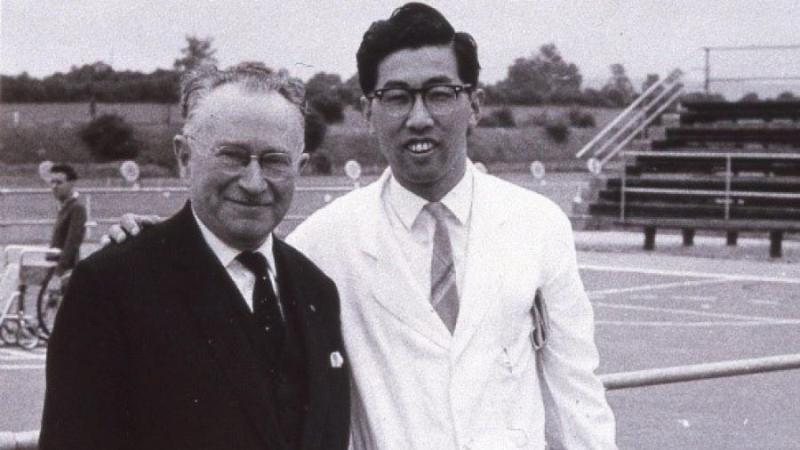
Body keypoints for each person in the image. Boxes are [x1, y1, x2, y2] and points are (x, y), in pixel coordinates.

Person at [111, 3, 616, 448]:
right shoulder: (321, 244)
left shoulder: (538, 225)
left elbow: (576, 395)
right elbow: (230, 276)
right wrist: (154, 245)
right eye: (396, 97)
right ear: (368, 112)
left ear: (475, 106)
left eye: (440, 93)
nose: (419, 118)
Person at [40, 65, 350, 450]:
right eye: (232, 156)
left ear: (299, 168)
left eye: (274, 161)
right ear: (184, 156)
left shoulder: (317, 290)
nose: (254, 182)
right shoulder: (110, 286)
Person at [48, 164, 87, 284]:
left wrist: (57, 274)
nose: (54, 187)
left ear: (71, 184)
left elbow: (72, 243)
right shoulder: (63, 207)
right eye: (52, 182)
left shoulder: (77, 208)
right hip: (55, 268)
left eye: (59, 183)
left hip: (66, 273)